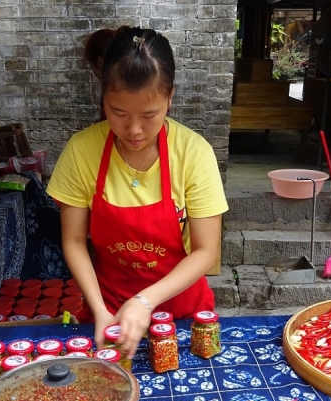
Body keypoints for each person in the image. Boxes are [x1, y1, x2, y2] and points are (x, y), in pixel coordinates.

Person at [47, 26, 228, 358]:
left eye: (149, 115)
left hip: (181, 313)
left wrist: (145, 301)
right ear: (103, 97)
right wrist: (100, 310)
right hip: (108, 311)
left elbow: (206, 250)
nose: (133, 130)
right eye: (118, 113)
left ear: (170, 97)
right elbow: (73, 240)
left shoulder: (193, 152)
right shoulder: (82, 150)